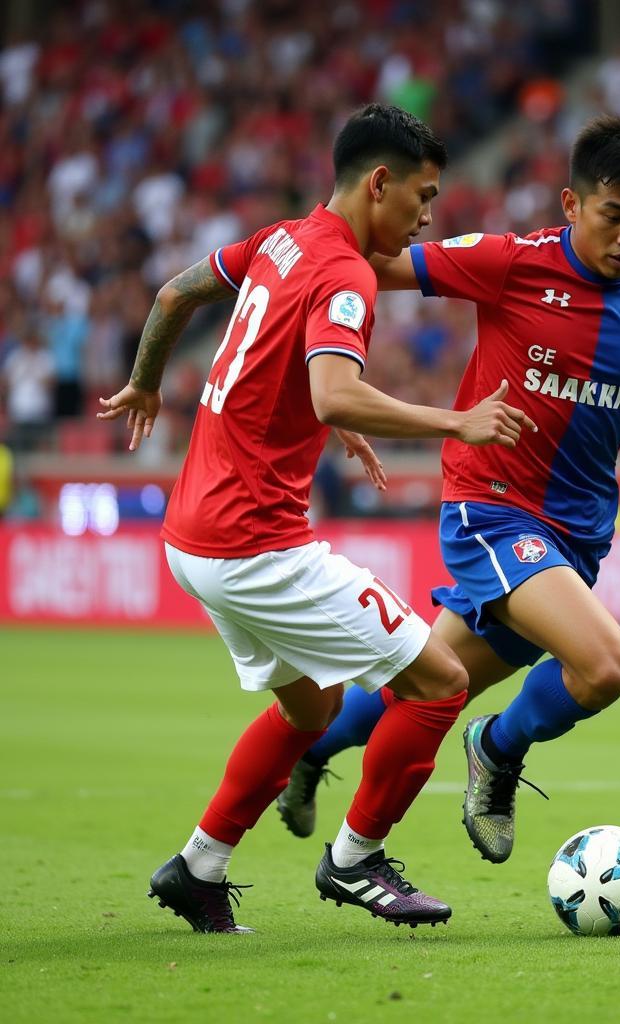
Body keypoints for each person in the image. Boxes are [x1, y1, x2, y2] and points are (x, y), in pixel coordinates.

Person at [97, 104, 536, 933]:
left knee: (313, 710)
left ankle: (198, 868)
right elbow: (331, 384)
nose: (429, 217)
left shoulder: (279, 239)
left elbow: (175, 293)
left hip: (192, 537)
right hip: (253, 540)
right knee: (440, 684)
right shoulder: (347, 273)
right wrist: (456, 421)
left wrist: (149, 379)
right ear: (380, 183)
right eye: (424, 196)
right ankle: (356, 861)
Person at [275, 115, 620, 864]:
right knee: (606, 666)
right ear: (571, 205)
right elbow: (375, 262)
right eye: (613, 216)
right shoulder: (511, 260)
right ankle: (496, 751)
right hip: (491, 508)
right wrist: (323, 360)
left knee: (432, 683)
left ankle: (305, 752)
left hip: (577, 533)